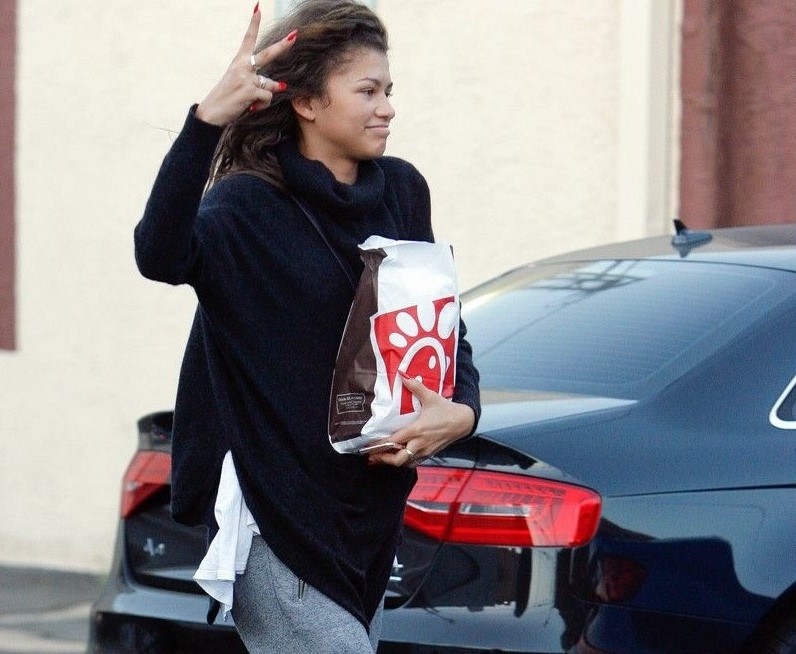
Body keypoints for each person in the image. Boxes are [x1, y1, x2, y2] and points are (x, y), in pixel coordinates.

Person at [134, 1, 480, 652]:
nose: (387, 108)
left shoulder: (403, 191)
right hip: (276, 519)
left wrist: (461, 411)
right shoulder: (245, 206)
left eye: (389, 90)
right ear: (308, 102)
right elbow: (159, 255)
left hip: (367, 516)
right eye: (368, 91)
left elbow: (442, 322)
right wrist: (206, 122)